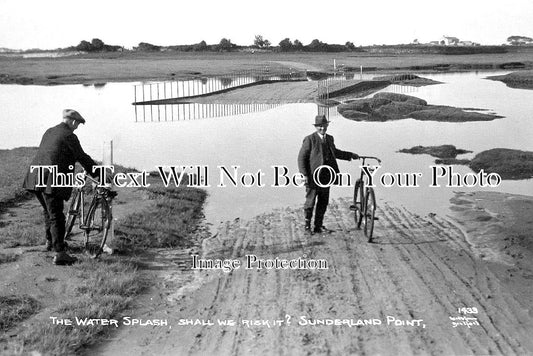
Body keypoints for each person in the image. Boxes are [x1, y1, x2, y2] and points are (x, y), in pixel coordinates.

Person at [23, 109, 98, 265]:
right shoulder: (69, 136)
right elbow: (81, 157)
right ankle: (60, 253)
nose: (77, 127)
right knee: (57, 215)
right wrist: (99, 173)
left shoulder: (50, 131)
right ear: (72, 121)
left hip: (35, 177)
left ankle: (50, 242)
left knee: (49, 211)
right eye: (77, 124)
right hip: (51, 179)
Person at [297, 115, 359, 234]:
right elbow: (301, 158)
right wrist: (304, 174)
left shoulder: (330, 139)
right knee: (310, 201)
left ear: (327, 126)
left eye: (324, 126)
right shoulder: (309, 139)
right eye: (319, 126)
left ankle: (318, 226)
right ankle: (307, 227)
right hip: (313, 177)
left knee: (323, 202)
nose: (322, 128)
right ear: (316, 127)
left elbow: (335, 153)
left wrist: (350, 155)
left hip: (326, 177)